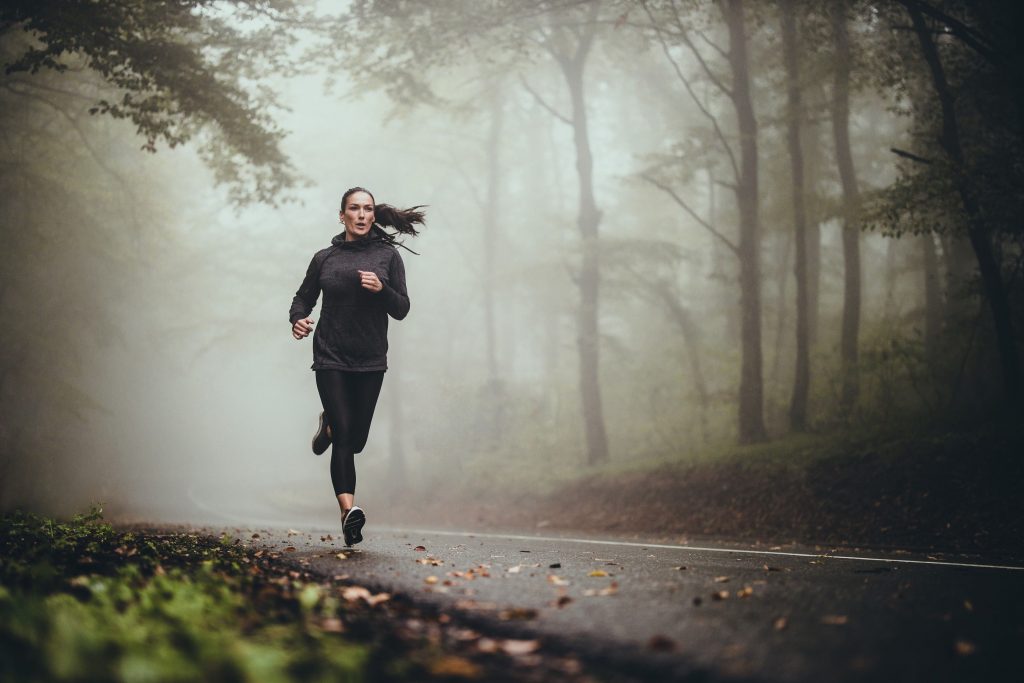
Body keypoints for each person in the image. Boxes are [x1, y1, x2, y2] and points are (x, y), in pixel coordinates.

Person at [289, 187, 424, 546]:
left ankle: (328, 426)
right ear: (342, 215)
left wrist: (381, 289)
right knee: (347, 437)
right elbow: (303, 298)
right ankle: (348, 513)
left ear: (373, 215)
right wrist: (299, 320)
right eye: (354, 208)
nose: (361, 215)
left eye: (367, 209)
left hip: (370, 358)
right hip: (330, 355)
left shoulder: (388, 256)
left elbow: (402, 308)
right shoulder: (325, 258)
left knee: (357, 439)